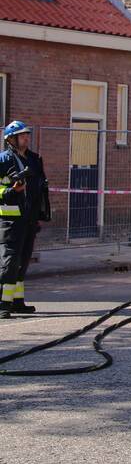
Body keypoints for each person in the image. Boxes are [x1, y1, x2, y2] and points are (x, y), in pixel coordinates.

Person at [0, 121, 50, 318]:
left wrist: (40, 214)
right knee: (10, 261)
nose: (26, 138)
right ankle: (3, 303)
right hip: (10, 220)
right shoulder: (3, 160)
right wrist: (10, 191)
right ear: (11, 139)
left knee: (23, 260)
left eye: (27, 135)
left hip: (29, 219)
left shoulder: (34, 160)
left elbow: (39, 189)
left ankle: (17, 302)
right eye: (22, 136)